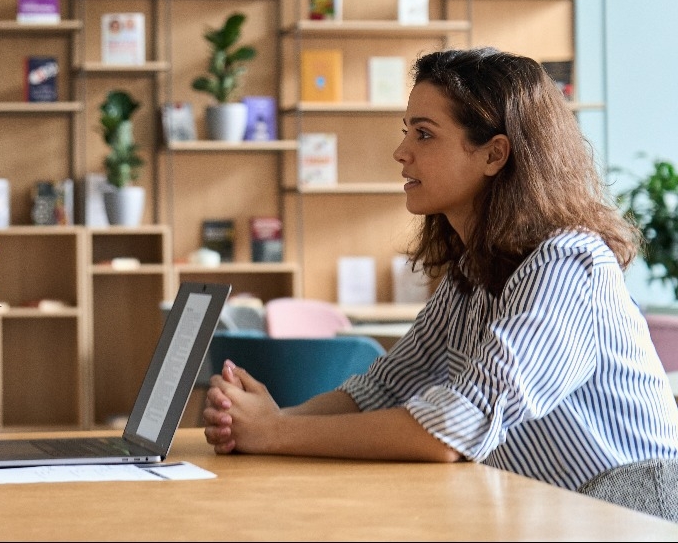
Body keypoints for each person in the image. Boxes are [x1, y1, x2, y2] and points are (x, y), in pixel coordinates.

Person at [203, 46, 678, 491]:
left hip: (631, 519)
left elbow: (450, 431)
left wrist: (270, 433)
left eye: (424, 134)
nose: (401, 151)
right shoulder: (473, 273)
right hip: (550, 517)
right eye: (406, 131)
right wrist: (274, 420)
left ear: (495, 154)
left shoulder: (569, 264)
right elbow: (381, 390)